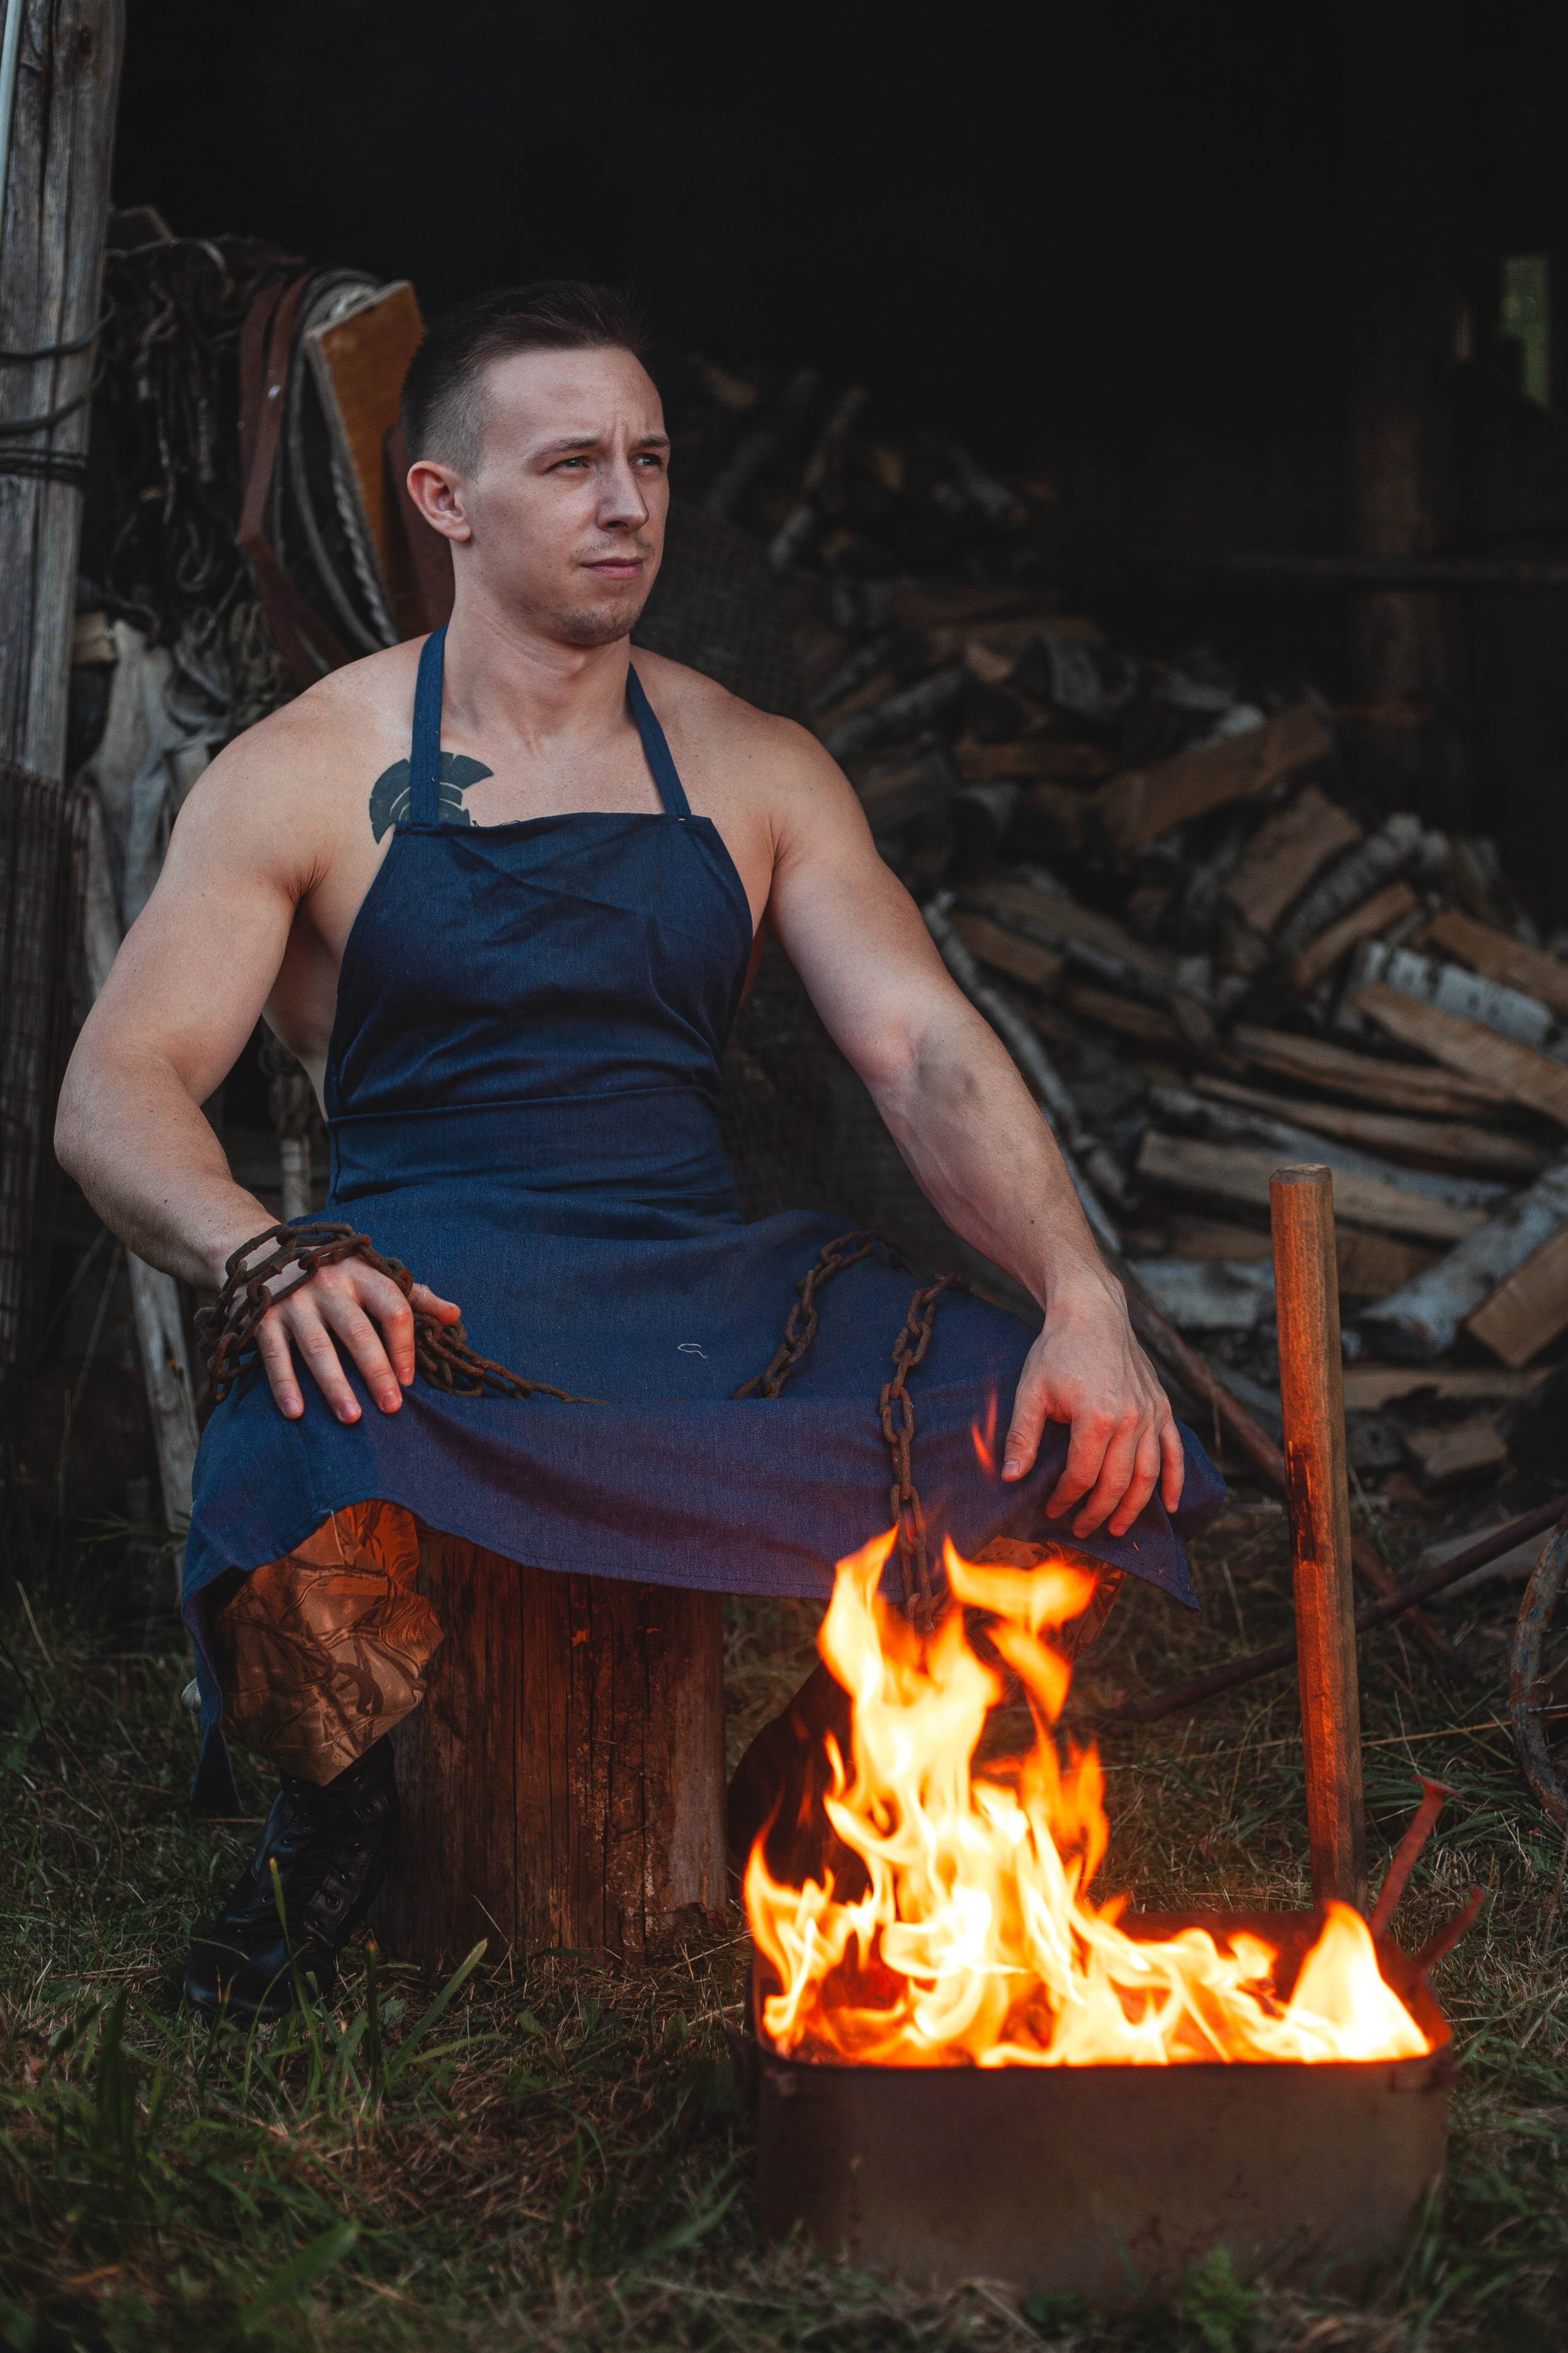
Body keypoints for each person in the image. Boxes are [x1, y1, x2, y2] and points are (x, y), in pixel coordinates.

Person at [56, 282, 1222, 2020]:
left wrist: (1078, 1289)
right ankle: (339, 1818)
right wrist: (268, 1250)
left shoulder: (756, 767)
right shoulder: (305, 770)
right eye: (574, 463)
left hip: (708, 1282)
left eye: (652, 460)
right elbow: (118, 1084)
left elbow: (918, 1049)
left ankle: (821, 1796)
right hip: (430, 1294)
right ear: (445, 500)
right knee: (296, 1438)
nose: (630, 502)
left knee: (1055, 1425)